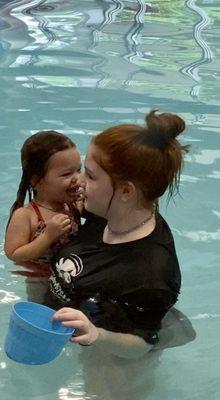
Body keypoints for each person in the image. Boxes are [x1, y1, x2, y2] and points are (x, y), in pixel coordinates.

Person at [44, 110, 190, 359]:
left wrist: (96, 335)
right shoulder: (106, 211)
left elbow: (144, 343)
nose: (79, 182)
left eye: (90, 176)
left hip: (112, 361)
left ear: (125, 191)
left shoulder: (150, 275)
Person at [4, 130, 83, 302]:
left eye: (79, 170)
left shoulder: (73, 204)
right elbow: (13, 253)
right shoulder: (26, 216)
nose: (77, 178)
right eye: (66, 174)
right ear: (36, 181)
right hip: (40, 278)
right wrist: (47, 236)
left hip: (71, 272)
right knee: (44, 309)